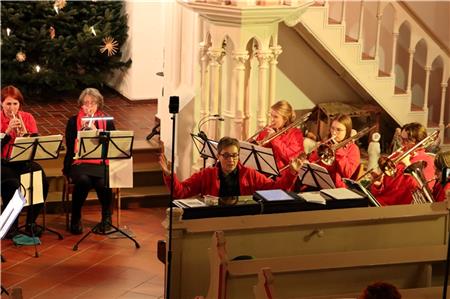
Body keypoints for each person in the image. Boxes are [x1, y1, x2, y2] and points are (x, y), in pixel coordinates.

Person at [159, 136, 302, 199]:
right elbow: (181, 192)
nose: (231, 160)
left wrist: (292, 173)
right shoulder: (207, 174)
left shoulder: (249, 174)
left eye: (235, 155)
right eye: (226, 155)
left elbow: (275, 190)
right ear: (218, 156)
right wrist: (170, 176)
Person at [63, 88, 115, 235]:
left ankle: (106, 217)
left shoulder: (106, 121)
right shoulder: (73, 121)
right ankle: (76, 216)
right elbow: (70, 147)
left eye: (93, 103)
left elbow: (112, 145)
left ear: (99, 104)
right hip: (79, 162)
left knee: (101, 182)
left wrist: (96, 132)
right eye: (86, 103)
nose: (89, 107)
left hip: (101, 163)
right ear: (81, 105)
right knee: (84, 180)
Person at [1, 85, 49, 237]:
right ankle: (9, 225)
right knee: (13, 184)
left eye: (15, 104)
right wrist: (7, 133)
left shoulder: (27, 118)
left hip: (22, 161)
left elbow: (34, 145)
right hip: (3, 162)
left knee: (41, 178)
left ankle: (31, 222)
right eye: (8, 103)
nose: (12, 108)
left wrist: (25, 136)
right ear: (1, 103)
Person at [370, 122, 435, 206]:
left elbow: (423, 192)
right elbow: (386, 188)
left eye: (407, 140)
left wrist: (408, 164)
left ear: (419, 141)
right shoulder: (398, 155)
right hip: (382, 202)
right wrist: (378, 185)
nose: (403, 144)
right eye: (401, 139)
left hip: (400, 208)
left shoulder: (427, 161)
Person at [308, 114, 361, 188]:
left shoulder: (353, 149)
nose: (334, 132)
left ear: (347, 131)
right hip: (320, 184)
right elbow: (312, 163)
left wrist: (339, 151)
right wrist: (316, 153)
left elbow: (348, 173)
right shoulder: (325, 143)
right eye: (332, 128)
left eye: (338, 130)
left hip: (339, 189)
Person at [254, 100, 304, 171]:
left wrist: (274, 138)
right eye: (271, 115)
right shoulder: (270, 129)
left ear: (285, 119)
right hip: (265, 168)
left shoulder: (296, 134)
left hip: (283, 173)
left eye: (275, 117)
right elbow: (257, 150)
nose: (271, 119)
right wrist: (262, 137)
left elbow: (291, 157)